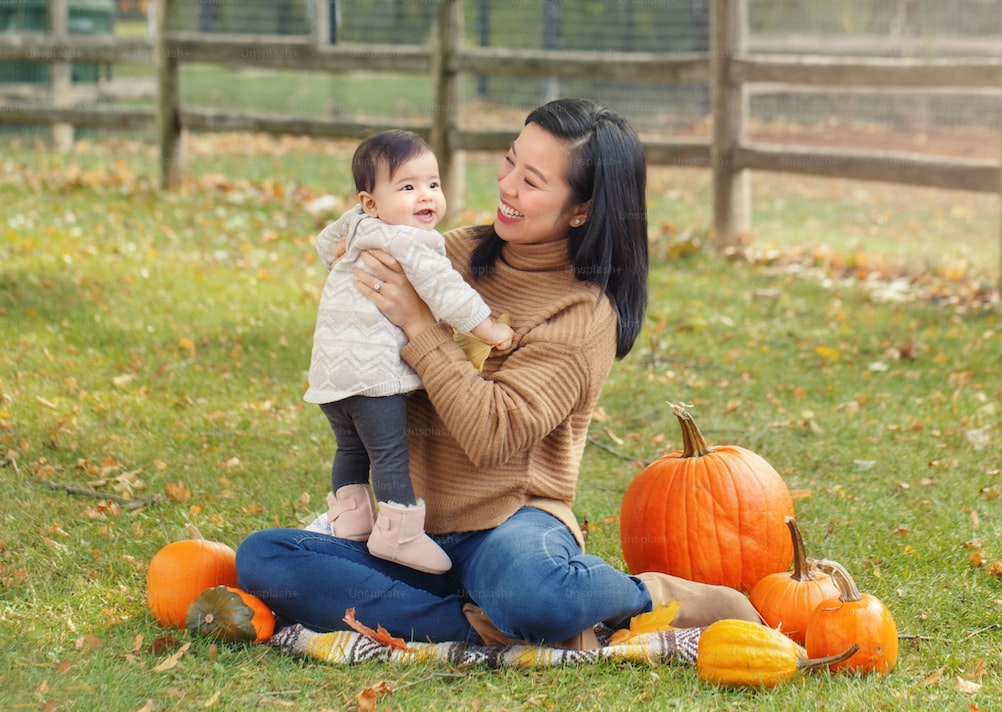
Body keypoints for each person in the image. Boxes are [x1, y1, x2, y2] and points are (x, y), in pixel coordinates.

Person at [237, 99, 760, 647]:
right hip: (412, 535)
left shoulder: (582, 313)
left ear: (580, 209)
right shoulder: (443, 253)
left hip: (509, 528)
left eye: (531, 181)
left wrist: (421, 326)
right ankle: (479, 623)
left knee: (536, 594)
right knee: (266, 560)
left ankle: (644, 598)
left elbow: (492, 435)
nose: (506, 185)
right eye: (509, 161)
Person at [305, 130, 513, 575]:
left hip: (329, 377)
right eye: (407, 187)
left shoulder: (358, 224)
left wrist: (337, 258)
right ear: (371, 202)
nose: (426, 197)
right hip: (373, 376)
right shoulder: (412, 242)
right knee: (389, 455)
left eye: (433, 184)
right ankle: (399, 535)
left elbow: (326, 243)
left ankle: (352, 524)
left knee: (349, 448)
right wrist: (488, 328)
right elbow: (446, 292)